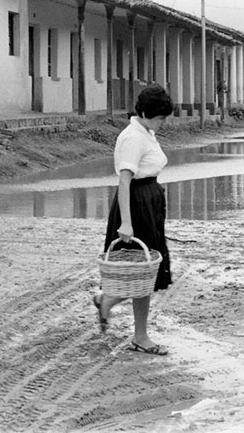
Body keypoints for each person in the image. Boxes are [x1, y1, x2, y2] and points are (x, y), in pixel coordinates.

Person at [93, 84, 174, 356]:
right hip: (136, 205)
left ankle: (136, 330)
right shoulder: (132, 138)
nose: (163, 123)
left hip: (148, 203)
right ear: (143, 112)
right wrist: (126, 223)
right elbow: (124, 182)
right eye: (160, 118)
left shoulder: (146, 132)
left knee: (147, 272)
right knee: (141, 271)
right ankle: (114, 308)